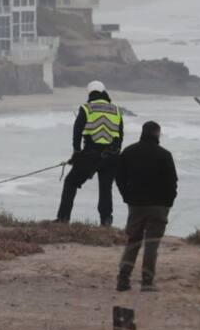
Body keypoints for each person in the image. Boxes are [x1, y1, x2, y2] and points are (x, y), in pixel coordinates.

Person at [114, 121, 177, 292]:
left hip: (136, 204)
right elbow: (172, 182)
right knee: (152, 244)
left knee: (133, 241)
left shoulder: (129, 152)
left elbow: (119, 177)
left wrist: (126, 196)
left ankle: (123, 278)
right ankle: (147, 281)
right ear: (157, 133)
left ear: (143, 132)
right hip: (158, 205)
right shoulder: (164, 155)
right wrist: (169, 202)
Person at [56, 80, 124, 226]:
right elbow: (120, 135)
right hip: (111, 157)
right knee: (106, 189)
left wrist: (76, 152)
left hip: (90, 155)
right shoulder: (117, 110)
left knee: (70, 183)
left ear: (90, 93)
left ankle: (63, 219)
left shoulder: (86, 108)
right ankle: (106, 221)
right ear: (104, 92)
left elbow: (77, 132)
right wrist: (114, 153)